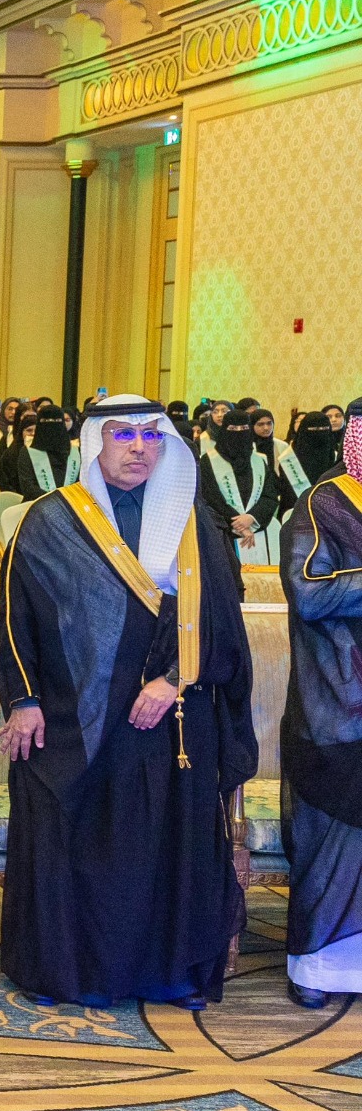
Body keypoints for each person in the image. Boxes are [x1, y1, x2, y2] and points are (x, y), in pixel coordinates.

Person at [0, 396, 256, 1009]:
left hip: (172, 714)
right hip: (74, 716)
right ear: (95, 442)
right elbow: (16, 617)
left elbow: (223, 618)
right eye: (123, 435)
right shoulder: (50, 518)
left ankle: (168, 973)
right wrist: (24, 699)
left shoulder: (194, 522)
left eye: (151, 435)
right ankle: (66, 972)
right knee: (71, 828)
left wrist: (173, 679)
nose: (139, 448)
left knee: (167, 844)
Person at [282, 401, 362, 1009]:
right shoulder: (321, 505)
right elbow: (308, 593)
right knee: (332, 839)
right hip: (336, 703)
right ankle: (318, 969)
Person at [199, 403, 282, 564]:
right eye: (233, 429)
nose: (238, 433)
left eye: (243, 428)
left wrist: (251, 518)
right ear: (224, 431)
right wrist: (239, 525)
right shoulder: (208, 461)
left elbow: (270, 496)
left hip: (255, 532)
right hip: (221, 536)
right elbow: (210, 499)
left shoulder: (259, 461)